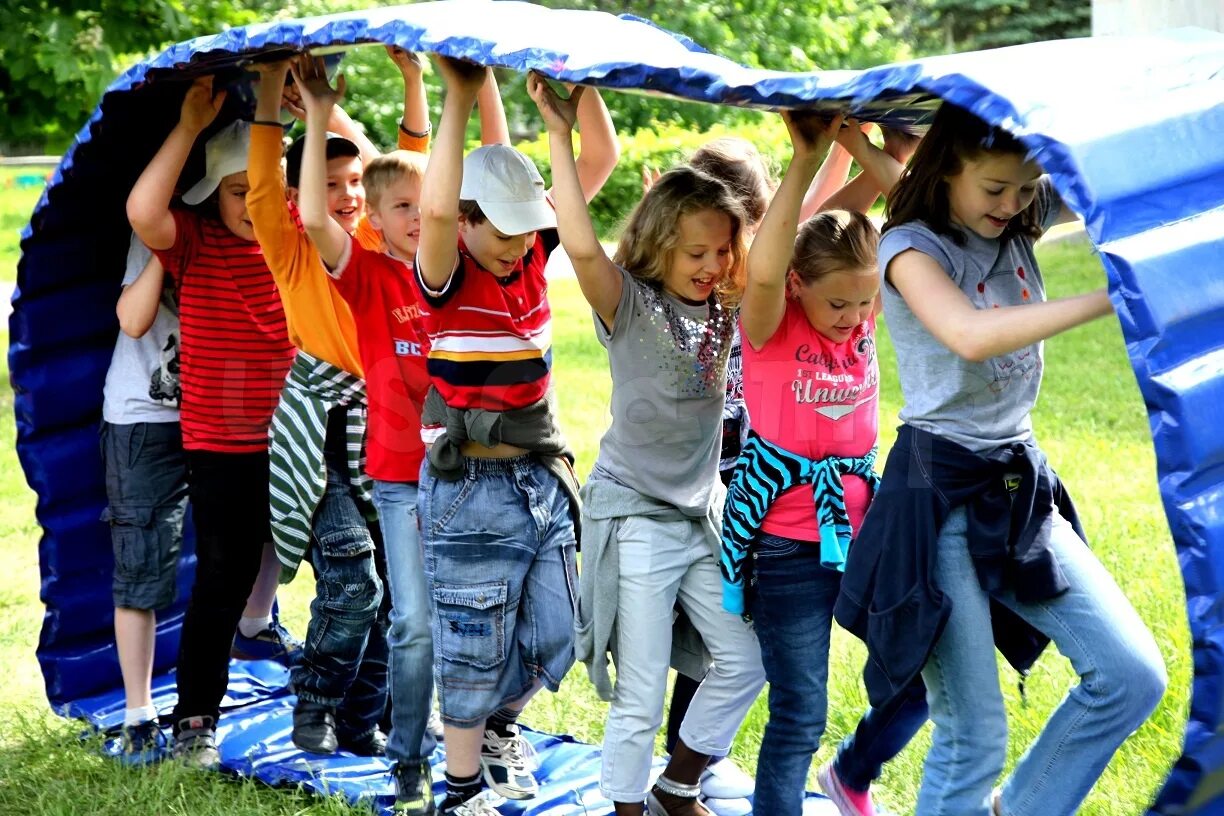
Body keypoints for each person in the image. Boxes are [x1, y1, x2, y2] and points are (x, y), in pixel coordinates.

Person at [834, 101, 1167, 816]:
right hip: (936, 496)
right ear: (949, 168)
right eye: (996, 191)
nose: (1016, 206)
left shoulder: (1011, 207)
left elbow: (1117, 179)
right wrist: (1110, 296)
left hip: (1015, 486)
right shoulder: (909, 250)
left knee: (1132, 674)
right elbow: (970, 333)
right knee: (972, 734)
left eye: (1027, 189)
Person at [530, 74, 766, 816]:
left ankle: (677, 784)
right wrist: (561, 136)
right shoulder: (628, 304)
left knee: (744, 661)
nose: (711, 266)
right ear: (663, 244)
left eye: (723, 252)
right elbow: (576, 238)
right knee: (640, 689)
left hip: (703, 516)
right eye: (696, 251)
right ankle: (625, 808)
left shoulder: (728, 309)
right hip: (636, 518)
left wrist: (824, 152)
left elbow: (801, 230)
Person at [411, 58, 616, 816]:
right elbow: (432, 214)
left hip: (540, 477)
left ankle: (498, 722)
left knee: (564, 625)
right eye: (502, 228)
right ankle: (459, 790)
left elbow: (599, 162)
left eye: (530, 226)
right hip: (470, 486)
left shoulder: (532, 251)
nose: (521, 243)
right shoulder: (446, 272)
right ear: (466, 221)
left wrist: (584, 88)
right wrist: (459, 97)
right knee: (471, 643)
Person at [718, 111, 927, 816]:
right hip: (787, 546)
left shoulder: (858, 302)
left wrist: (860, 148)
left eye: (866, 302)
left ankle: (854, 770)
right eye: (839, 302)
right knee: (801, 712)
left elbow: (886, 219)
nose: (855, 316)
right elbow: (776, 259)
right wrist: (807, 158)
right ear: (802, 287)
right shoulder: (772, 323)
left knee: (918, 678)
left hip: (867, 533)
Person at [248, 48, 440, 760]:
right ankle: (318, 701)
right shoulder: (298, 243)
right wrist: (272, 87)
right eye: (331, 184)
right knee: (352, 576)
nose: (349, 193)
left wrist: (415, 80)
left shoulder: (375, 237)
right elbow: (272, 186)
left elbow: (409, 165)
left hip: (386, 425)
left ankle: (366, 720)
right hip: (318, 430)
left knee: (396, 590)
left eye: (354, 179)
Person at [126, 76, 297, 769]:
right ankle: (196, 720)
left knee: (349, 567)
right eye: (239, 192)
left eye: (268, 194)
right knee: (222, 574)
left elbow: (374, 194)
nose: (255, 207)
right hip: (224, 442)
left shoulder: (299, 246)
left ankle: (351, 703)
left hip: (296, 437)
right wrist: (190, 126)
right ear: (213, 195)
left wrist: (316, 109)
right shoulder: (195, 242)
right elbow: (143, 211)